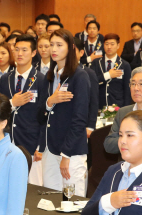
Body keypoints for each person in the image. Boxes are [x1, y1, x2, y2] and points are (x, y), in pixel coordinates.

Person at [40, 29, 89, 198]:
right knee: (50, 200)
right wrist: (50, 101)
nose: (53, 49)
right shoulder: (50, 76)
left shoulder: (80, 76)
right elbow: (40, 113)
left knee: (72, 201)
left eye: (59, 45)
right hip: (50, 147)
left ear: (71, 48)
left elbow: (80, 119)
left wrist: (66, 154)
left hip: (71, 151)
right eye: (51, 45)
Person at [0, 34, 47, 186]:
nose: (19, 54)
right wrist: (12, 103)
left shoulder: (42, 80)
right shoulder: (5, 79)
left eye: (24, 50)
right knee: (6, 185)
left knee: (32, 188)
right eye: (16, 49)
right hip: (6, 141)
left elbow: (45, 115)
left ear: (33, 53)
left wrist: (41, 146)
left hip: (31, 143)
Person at [92, 33, 132, 108]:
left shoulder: (125, 65)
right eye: (106, 44)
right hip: (99, 105)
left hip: (117, 105)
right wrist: (108, 75)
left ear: (118, 46)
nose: (109, 47)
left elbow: (127, 89)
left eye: (112, 44)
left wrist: (126, 108)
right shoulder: (96, 62)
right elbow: (92, 82)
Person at [73, 38, 99, 138]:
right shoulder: (61, 73)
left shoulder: (89, 73)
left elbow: (94, 101)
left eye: (73, 51)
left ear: (81, 52)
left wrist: (91, 126)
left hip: (83, 124)